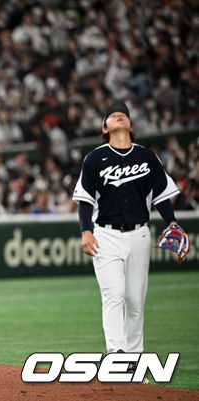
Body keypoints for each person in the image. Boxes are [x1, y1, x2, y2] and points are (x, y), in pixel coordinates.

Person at [72, 101, 182, 360]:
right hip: (105, 235)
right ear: (104, 128)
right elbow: (85, 199)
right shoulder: (95, 158)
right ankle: (117, 356)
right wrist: (85, 231)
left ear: (131, 125)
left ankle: (134, 359)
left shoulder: (146, 156)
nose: (118, 114)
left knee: (135, 301)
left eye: (123, 113)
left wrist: (172, 223)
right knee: (114, 295)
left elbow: (161, 196)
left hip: (140, 235)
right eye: (111, 114)